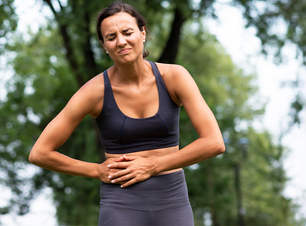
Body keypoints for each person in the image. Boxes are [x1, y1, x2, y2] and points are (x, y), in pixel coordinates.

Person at [29, 1, 225, 225]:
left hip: (172, 199)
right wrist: (96, 170)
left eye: (127, 32)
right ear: (104, 45)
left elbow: (214, 142)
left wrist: (151, 166)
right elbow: (40, 153)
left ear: (142, 33)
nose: (121, 41)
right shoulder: (94, 92)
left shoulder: (175, 77)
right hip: (120, 202)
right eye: (111, 37)